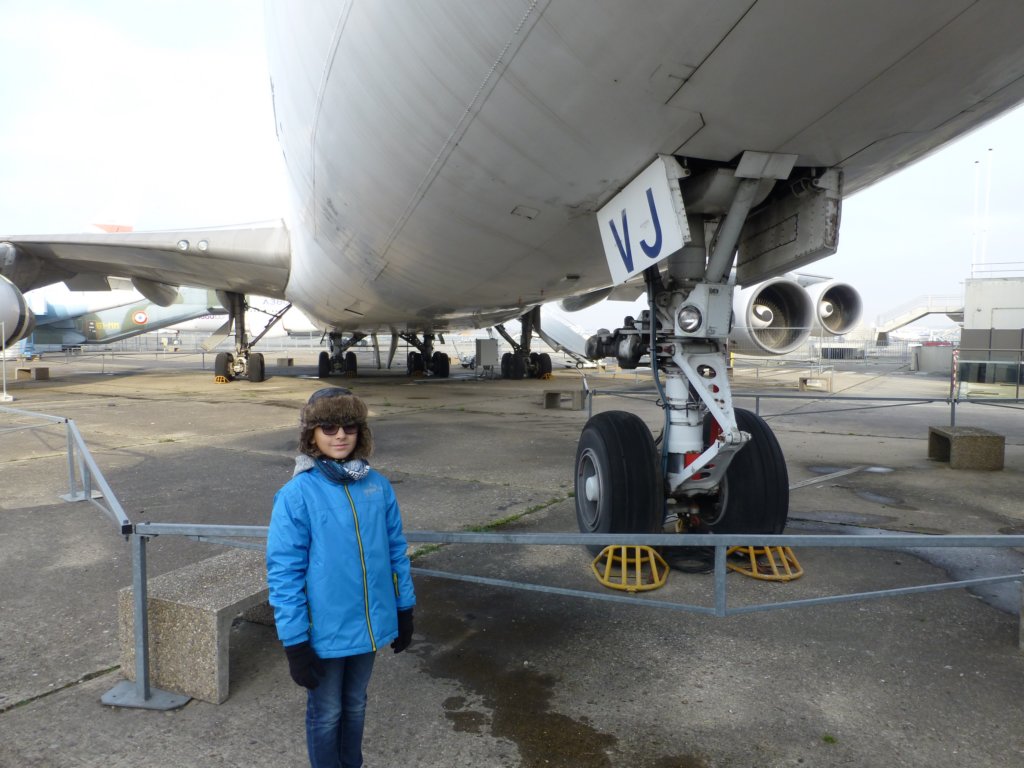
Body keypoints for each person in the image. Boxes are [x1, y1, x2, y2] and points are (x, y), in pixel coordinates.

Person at [267, 386, 416, 768]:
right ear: (312, 435)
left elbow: (396, 551)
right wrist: (294, 641)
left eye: (349, 426)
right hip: (324, 632)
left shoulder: (377, 485)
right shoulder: (297, 493)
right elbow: (285, 572)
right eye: (328, 427)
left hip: (369, 626)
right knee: (327, 711)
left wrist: (404, 608)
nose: (340, 435)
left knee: (356, 704)